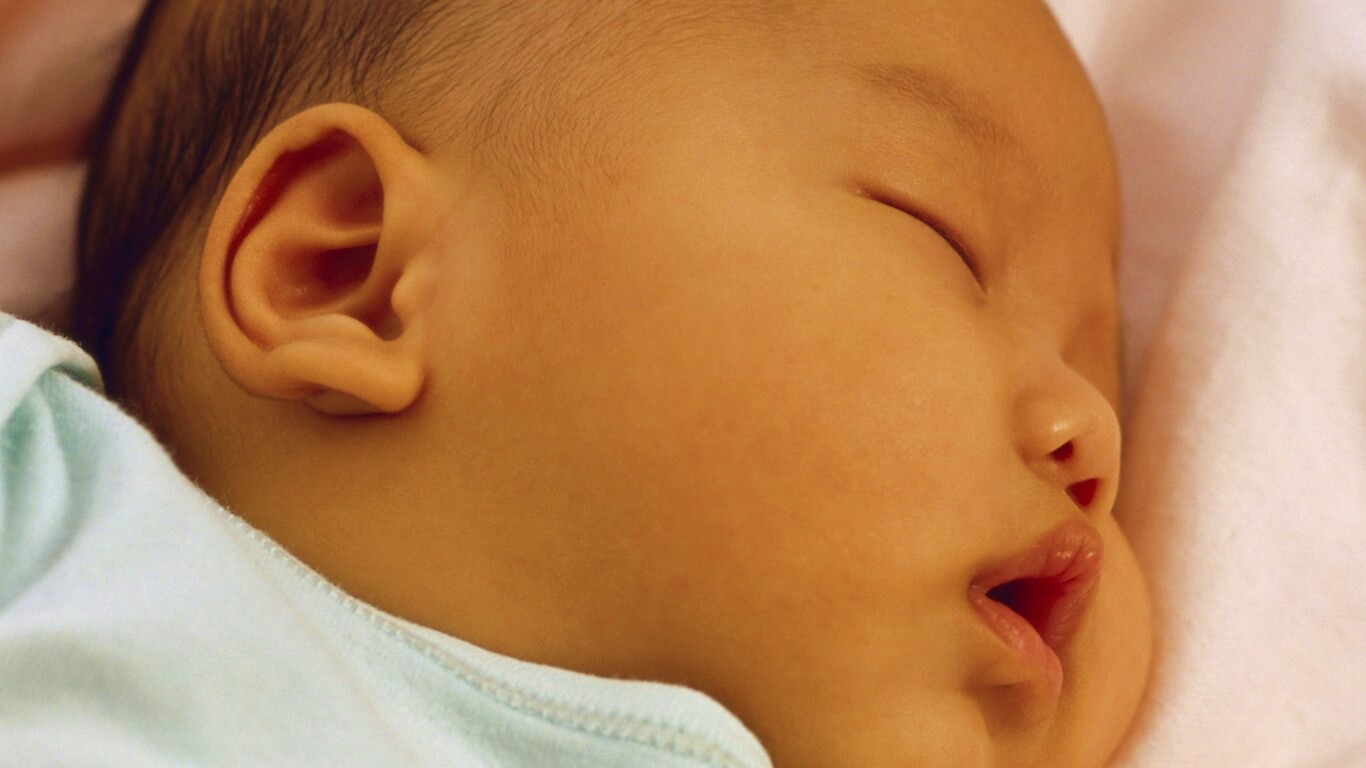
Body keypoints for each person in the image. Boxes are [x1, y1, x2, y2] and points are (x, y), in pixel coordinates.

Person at [0, 0, 1153, 765]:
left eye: (1094, 359)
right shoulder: (54, 499)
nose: (1092, 426)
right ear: (348, 271)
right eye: (941, 238)